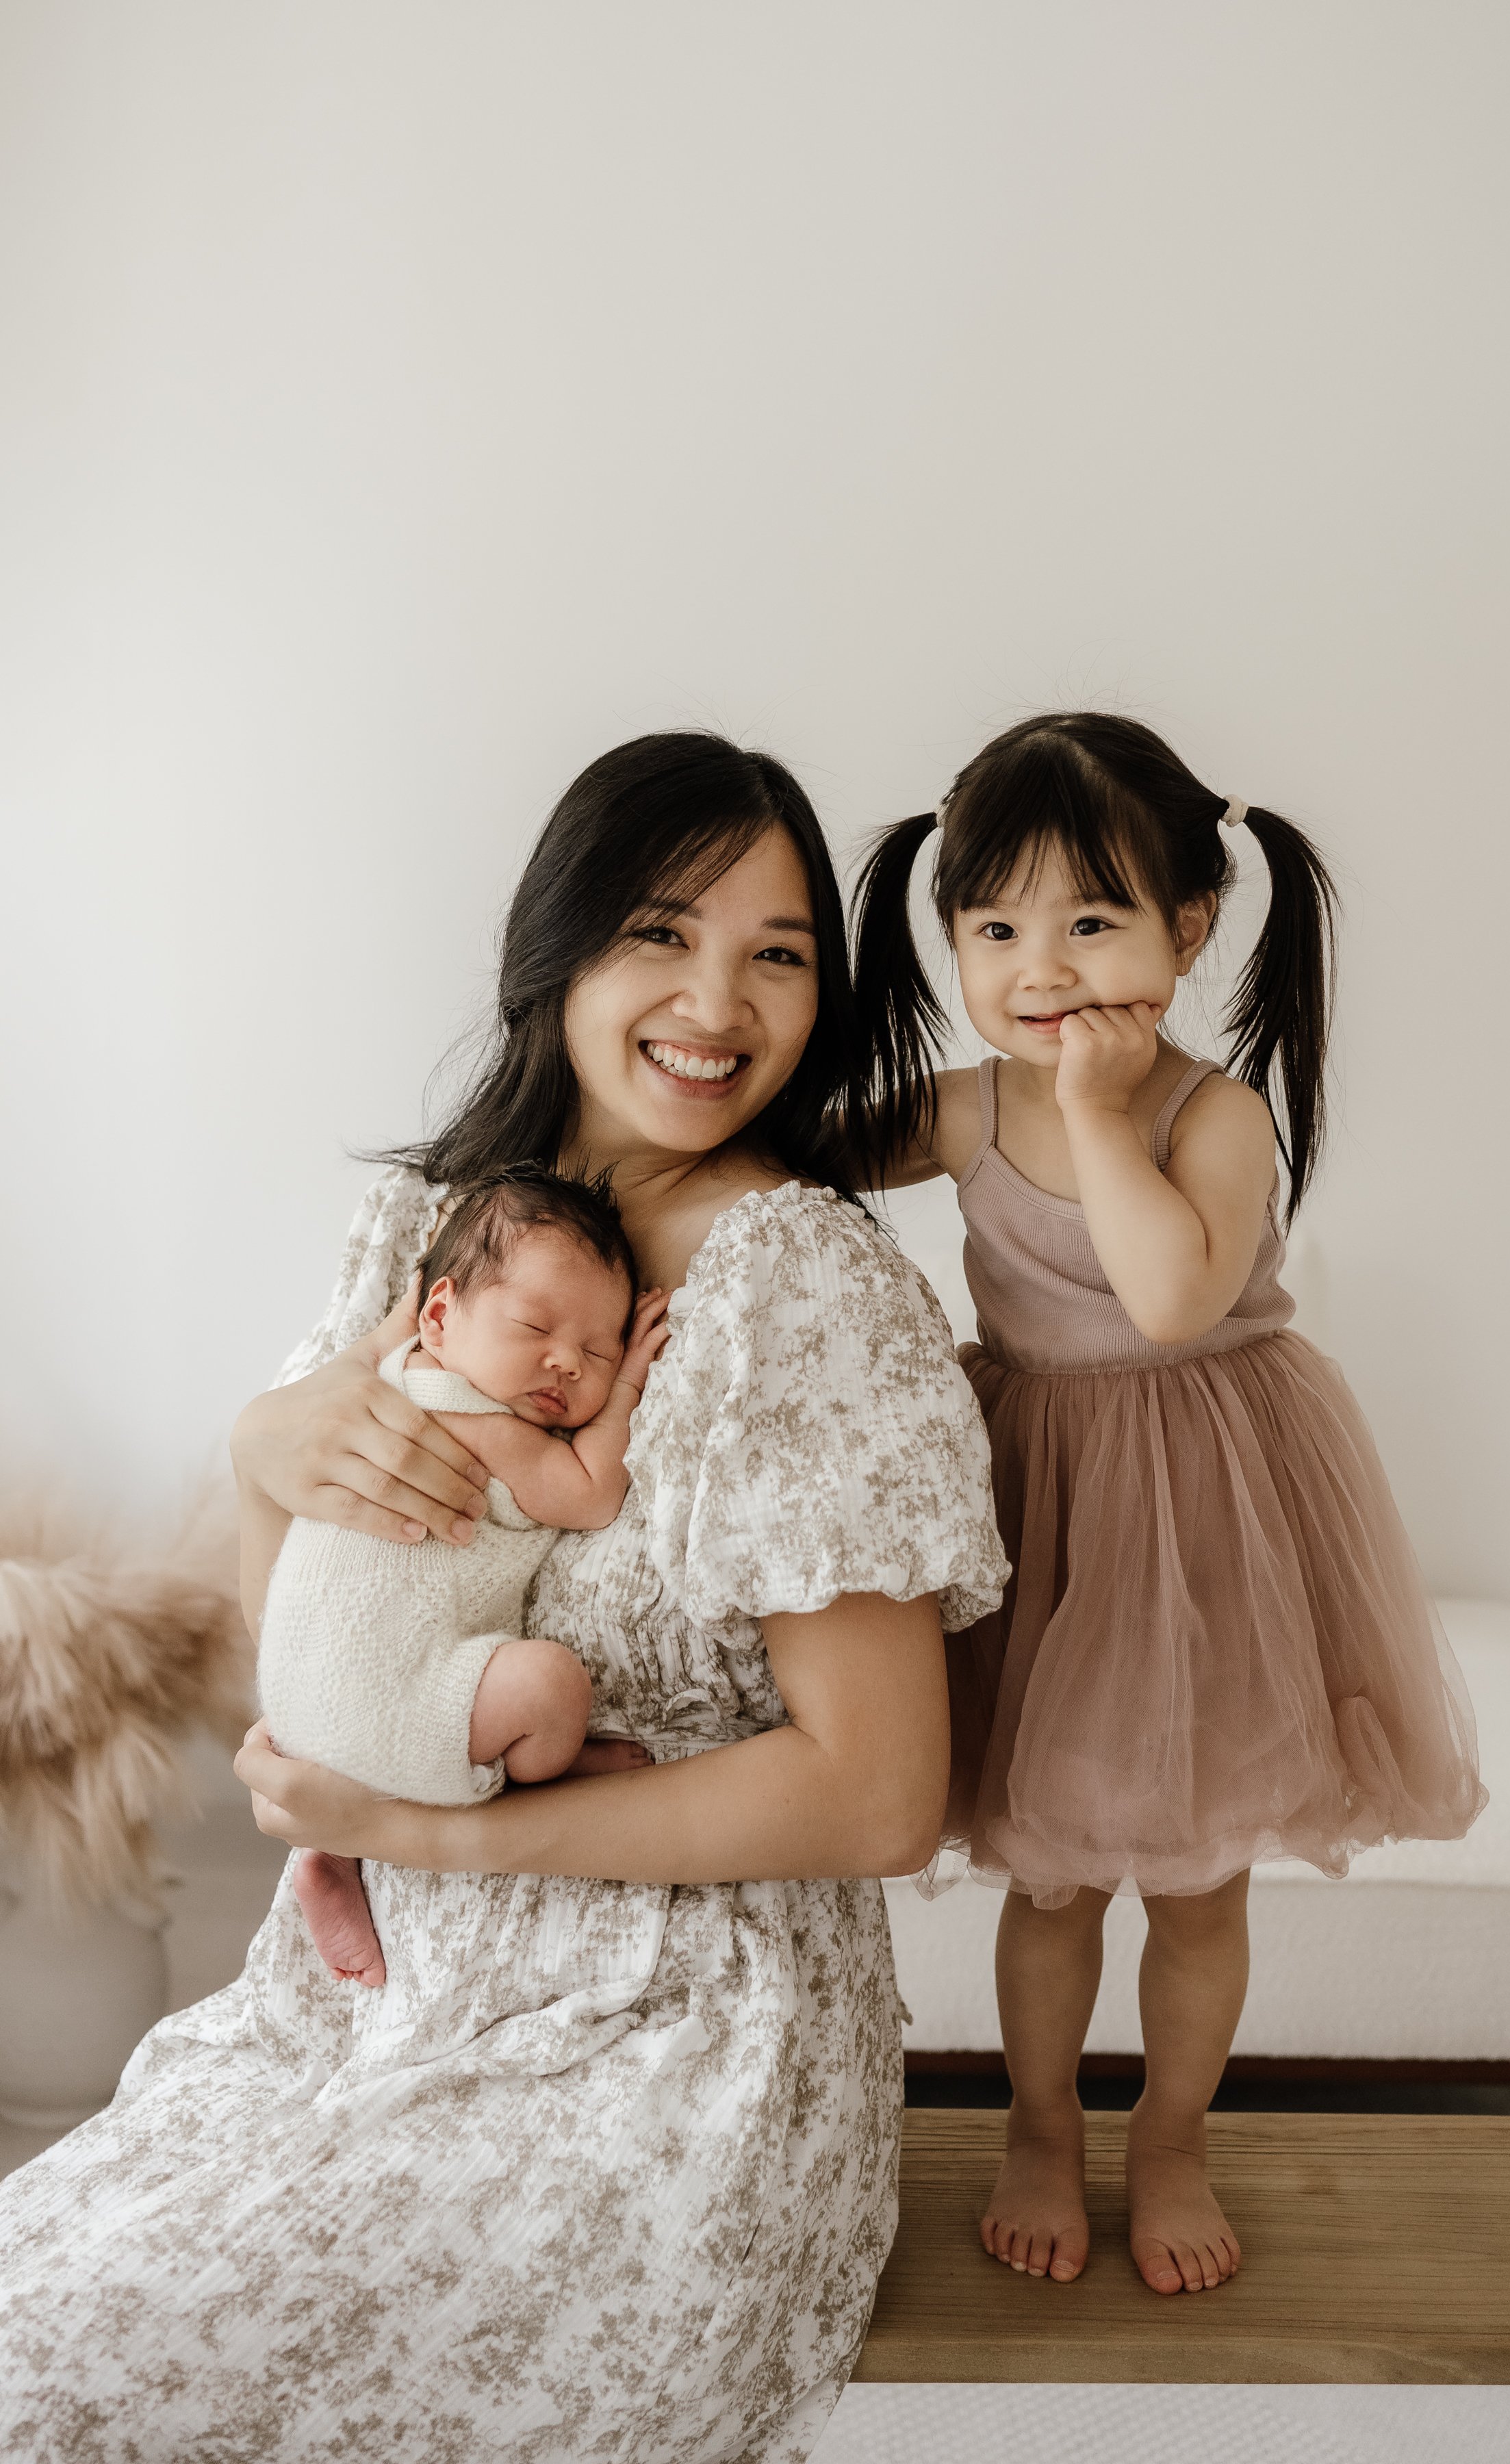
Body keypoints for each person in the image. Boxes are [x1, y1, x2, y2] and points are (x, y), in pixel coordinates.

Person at [0, 732, 1008, 2463]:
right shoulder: (420, 1239)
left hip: (677, 2052)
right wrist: (264, 1452)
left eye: (776, 952)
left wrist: (455, 1841)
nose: (719, 999)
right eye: (661, 932)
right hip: (365, 1990)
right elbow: (314, 1649)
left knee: (66, 2372)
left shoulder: (792, 1285)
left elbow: (873, 1792)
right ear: (555, 948)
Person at [852, 711, 1486, 2298]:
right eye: (991, 926)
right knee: (1047, 1871)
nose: (1037, 965)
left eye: (1087, 919)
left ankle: (1174, 2132)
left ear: (1183, 929)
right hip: (1040, 1513)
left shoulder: (1209, 1116)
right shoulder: (954, 1108)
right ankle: (1041, 2124)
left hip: (1210, 1520)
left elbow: (1159, 1301)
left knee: (1195, 1884)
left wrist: (1085, 1110)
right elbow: (772, 1168)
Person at [262, 1167, 670, 1988]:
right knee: (550, 1684)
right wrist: (628, 1381)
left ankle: (328, 1855)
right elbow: (590, 1497)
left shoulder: (391, 1377)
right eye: (535, 1327)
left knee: (387, 1688)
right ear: (440, 1315)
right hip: (389, 1703)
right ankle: (526, 1777)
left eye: (597, 1348)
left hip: (292, 1706)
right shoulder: (478, 1420)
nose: (565, 1362)